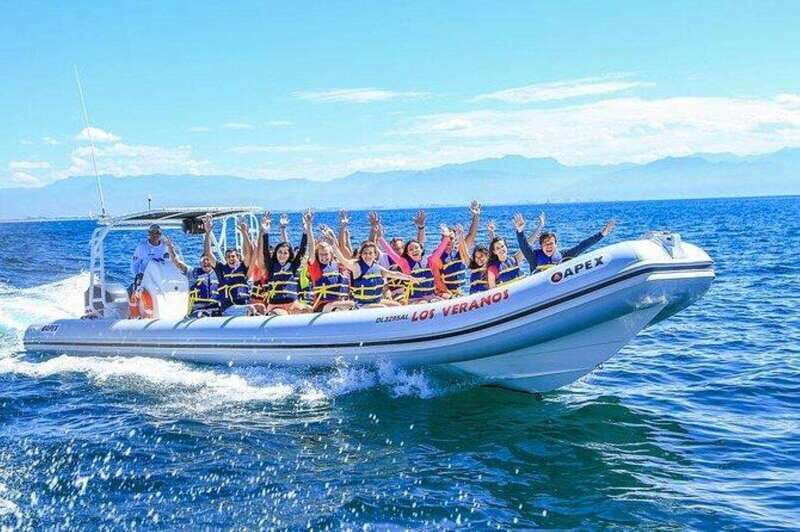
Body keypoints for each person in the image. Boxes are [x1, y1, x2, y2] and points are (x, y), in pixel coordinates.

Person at [321, 226, 415, 308]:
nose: (368, 255)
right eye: (365, 253)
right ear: (361, 254)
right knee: (382, 307)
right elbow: (342, 259)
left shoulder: (378, 268)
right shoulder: (356, 266)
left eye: (370, 253)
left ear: (375, 255)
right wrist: (333, 244)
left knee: (397, 306)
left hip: (377, 300)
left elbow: (394, 274)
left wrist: (409, 277)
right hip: (362, 304)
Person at [514, 213, 617, 273]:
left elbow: (583, 246)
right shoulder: (534, 257)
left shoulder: (564, 255)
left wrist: (602, 234)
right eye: (546, 244)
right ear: (541, 246)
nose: (549, 246)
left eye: (551, 243)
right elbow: (524, 247)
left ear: (556, 245)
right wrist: (520, 231)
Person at [377, 222, 452, 304]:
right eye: (411, 249)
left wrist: (446, 236)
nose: (414, 250)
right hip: (414, 299)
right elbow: (391, 252)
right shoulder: (405, 264)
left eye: (416, 248)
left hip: (432, 296)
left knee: (449, 297)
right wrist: (380, 237)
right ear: (408, 253)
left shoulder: (430, 260)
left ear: (421, 249)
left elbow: (440, 249)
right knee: (424, 303)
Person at [255, 210, 312, 315]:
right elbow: (265, 252)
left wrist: (305, 231)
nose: (282, 255)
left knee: (309, 309)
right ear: (276, 253)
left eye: (285, 253)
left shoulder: (293, 266)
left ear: (289, 254)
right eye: (280, 252)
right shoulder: (271, 266)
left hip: (293, 304)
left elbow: (302, 251)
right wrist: (265, 233)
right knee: (282, 314)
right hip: (276, 306)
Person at [202, 214, 252, 310]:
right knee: (252, 309)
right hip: (229, 308)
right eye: (228, 257)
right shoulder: (221, 269)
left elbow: (249, 253)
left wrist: (244, 233)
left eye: (233, 256)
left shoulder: (243, 267)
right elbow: (208, 254)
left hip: (244, 305)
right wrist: (207, 232)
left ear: (238, 257)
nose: (230, 258)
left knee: (260, 308)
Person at [164, 237, 223, 317]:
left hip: (216, 309)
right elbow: (177, 263)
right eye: (203, 261)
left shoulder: (219, 273)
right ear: (200, 263)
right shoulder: (192, 272)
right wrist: (170, 248)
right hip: (198, 309)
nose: (206, 262)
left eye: (208, 260)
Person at [436, 201, 481, 297]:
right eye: (445, 238)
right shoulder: (437, 256)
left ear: (455, 240)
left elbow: (471, 235)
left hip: (461, 292)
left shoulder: (459, 252)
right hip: (445, 294)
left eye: (451, 238)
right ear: (441, 239)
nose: (448, 241)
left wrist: (476, 217)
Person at [307, 224, 355, 312]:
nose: (324, 257)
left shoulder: (340, 266)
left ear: (331, 254)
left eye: (326, 254)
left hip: (343, 303)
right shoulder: (316, 269)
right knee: (341, 308)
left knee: (352, 304)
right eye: (321, 254)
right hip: (324, 306)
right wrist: (309, 227)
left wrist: (336, 232)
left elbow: (340, 249)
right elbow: (311, 247)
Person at [129, 223, 170, 294]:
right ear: (149, 234)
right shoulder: (142, 246)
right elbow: (134, 264)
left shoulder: (165, 246)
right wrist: (137, 276)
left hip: (161, 277)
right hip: (145, 277)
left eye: (157, 232)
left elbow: (169, 262)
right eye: (152, 232)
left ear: (160, 234)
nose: (155, 235)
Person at [453, 225, 490, 294]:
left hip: (486, 297)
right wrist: (461, 236)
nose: (479, 259)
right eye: (476, 257)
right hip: (473, 298)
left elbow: (495, 252)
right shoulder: (473, 265)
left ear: (487, 256)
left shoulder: (490, 266)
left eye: (481, 256)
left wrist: (491, 233)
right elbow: (465, 252)